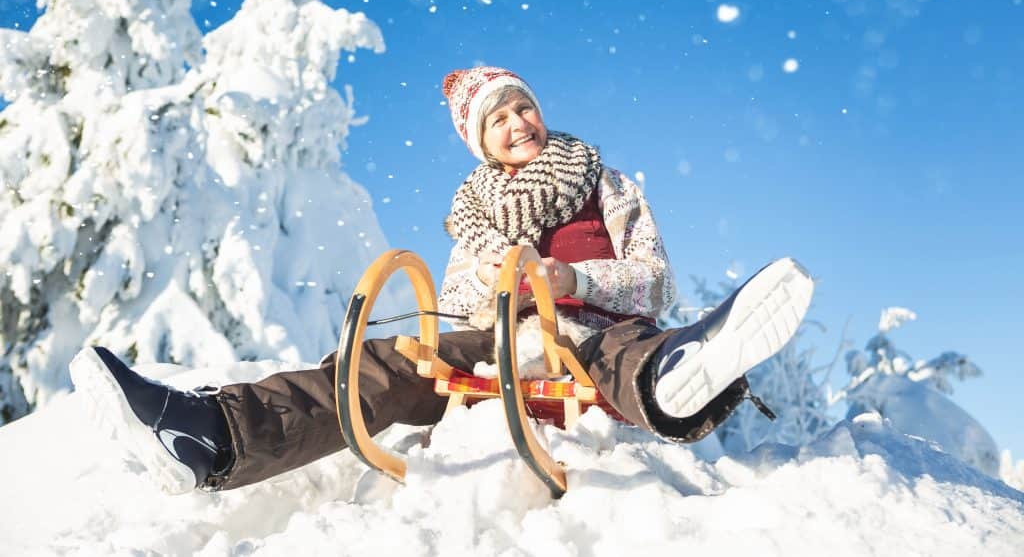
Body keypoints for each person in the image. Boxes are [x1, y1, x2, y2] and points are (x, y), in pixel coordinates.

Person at [71, 66, 814, 495]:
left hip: (593, 339)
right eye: (499, 118)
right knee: (387, 364)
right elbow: (454, 310)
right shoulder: (477, 216)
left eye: (524, 104)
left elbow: (655, 284)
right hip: (501, 348)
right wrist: (494, 286)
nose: (518, 119)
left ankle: (678, 375)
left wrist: (570, 274)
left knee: (622, 347)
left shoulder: (607, 183)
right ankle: (214, 433)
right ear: (481, 142)